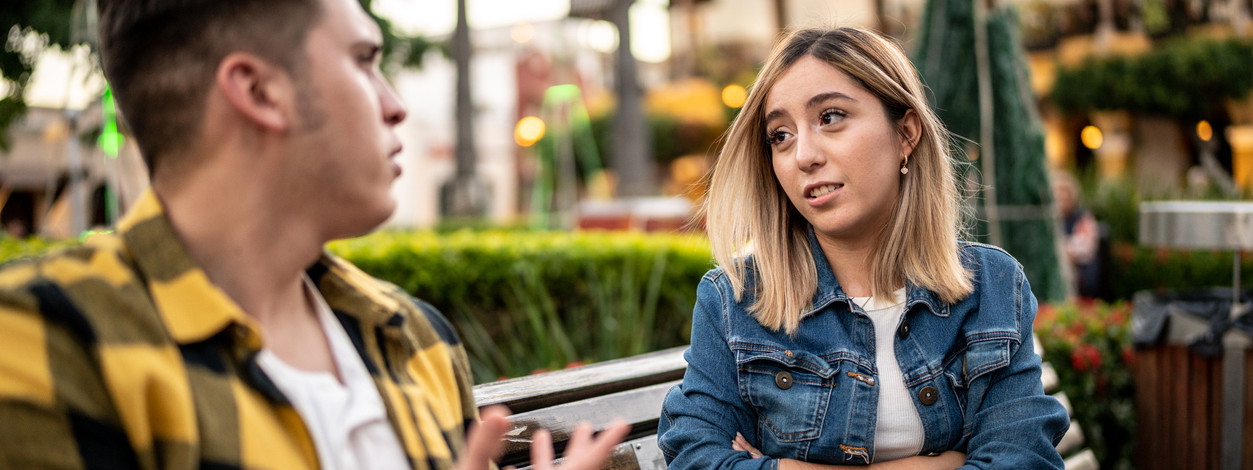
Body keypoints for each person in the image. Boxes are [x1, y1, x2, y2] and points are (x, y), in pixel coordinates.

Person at [0, 0, 627, 468]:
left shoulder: (414, 336)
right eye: (363, 61)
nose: (395, 104)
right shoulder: (40, 339)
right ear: (258, 91)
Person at [657, 27, 1070, 469]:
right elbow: (695, 457)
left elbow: (1022, 459)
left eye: (830, 117)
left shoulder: (990, 287)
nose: (804, 156)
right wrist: (940, 464)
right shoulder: (736, 300)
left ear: (905, 133)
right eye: (780, 135)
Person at [1050, 171, 1102, 299]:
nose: (1061, 200)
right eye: (1058, 197)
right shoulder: (1051, 220)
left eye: (1065, 196)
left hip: (1080, 273)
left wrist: (1062, 249)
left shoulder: (1083, 218)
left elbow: (1083, 248)